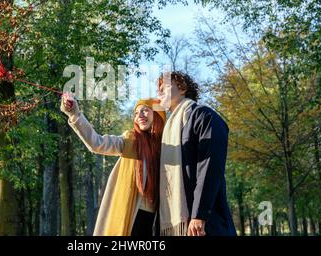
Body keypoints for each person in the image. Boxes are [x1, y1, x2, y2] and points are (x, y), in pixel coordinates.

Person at [60, 94, 166, 236]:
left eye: (145, 110)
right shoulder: (130, 141)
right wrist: (75, 114)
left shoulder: (167, 147)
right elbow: (97, 143)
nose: (139, 115)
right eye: (136, 112)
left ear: (158, 114)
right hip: (132, 216)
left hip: (159, 219)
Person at [157, 71, 236, 236]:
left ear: (182, 88)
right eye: (158, 89)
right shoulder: (169, 130)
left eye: (164, 87)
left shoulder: (204, 116)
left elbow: (209, 168)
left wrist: (199, 214)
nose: (159, 92)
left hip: (205, 223)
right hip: (179, 225)